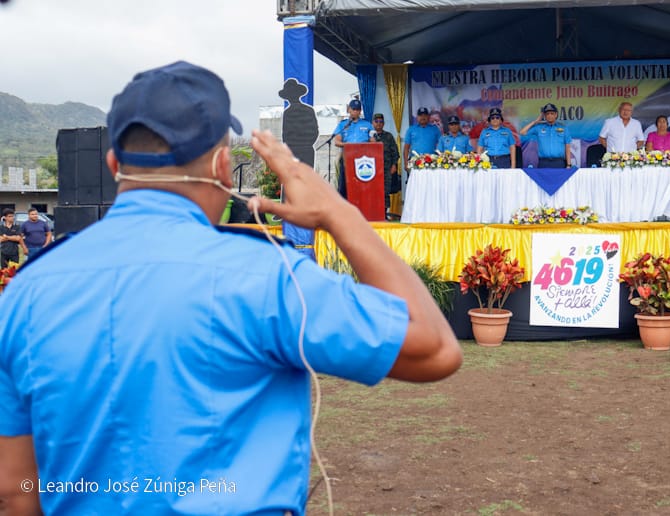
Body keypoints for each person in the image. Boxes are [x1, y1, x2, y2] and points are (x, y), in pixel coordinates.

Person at [0, 61, 462, 516]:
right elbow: (435, 348)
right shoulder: (266, 276)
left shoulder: (24, 294)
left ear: (115, 163)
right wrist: (337, 213)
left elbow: (16, 492)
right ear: (224, 165)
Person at [332, 98, 372, 198]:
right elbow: (336, 141)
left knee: (362, 185)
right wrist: (347, 145)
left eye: (357, 109)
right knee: (344, 187)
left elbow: (374, 142)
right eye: (353, 109)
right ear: (349, 109)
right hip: (347, 158)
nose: (355, 111)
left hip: (363, 160)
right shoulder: (343, 124)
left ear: (360, 111)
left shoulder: (367, 125)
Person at [519, 103, 572, 168]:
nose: (549, 116)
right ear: (544, 116)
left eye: (552, 113)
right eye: (547, 114)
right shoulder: (539, 127)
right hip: (543, 163)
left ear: (556, 115)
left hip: (559, 162)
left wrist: (568, 164)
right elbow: (522, 132)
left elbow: (567, 147)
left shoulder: (564, 128)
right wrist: (535, 121)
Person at [370, 112, 400, 215]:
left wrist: (394, 165)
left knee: (385, 191)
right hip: (371, 169)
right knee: (373, 191)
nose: (378, 124)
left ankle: (384, 213)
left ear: (383, 123)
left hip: (386, 168)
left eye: (381, 121)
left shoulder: (389, 136)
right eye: (376, 121)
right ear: (372, 123)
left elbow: (395, 152)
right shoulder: (369, 137)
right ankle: (373, 213)